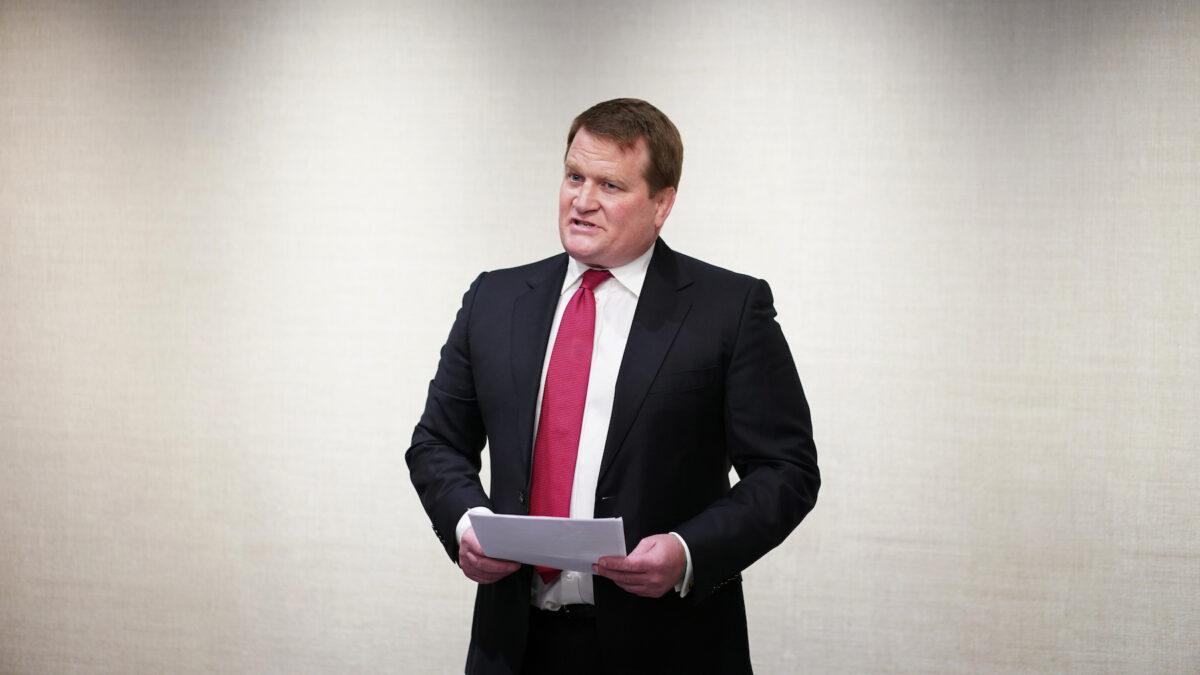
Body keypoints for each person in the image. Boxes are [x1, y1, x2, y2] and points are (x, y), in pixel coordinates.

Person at [406, 98, 820, 674]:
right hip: (515, 643)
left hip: (669, 646)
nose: (582, 201)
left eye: (610, 185)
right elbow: (436, 443)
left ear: (662, 205)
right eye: (574, 176)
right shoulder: (493, 300)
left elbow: (787, 470)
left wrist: (688, 551)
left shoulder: (729, 309)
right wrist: (464, 524)